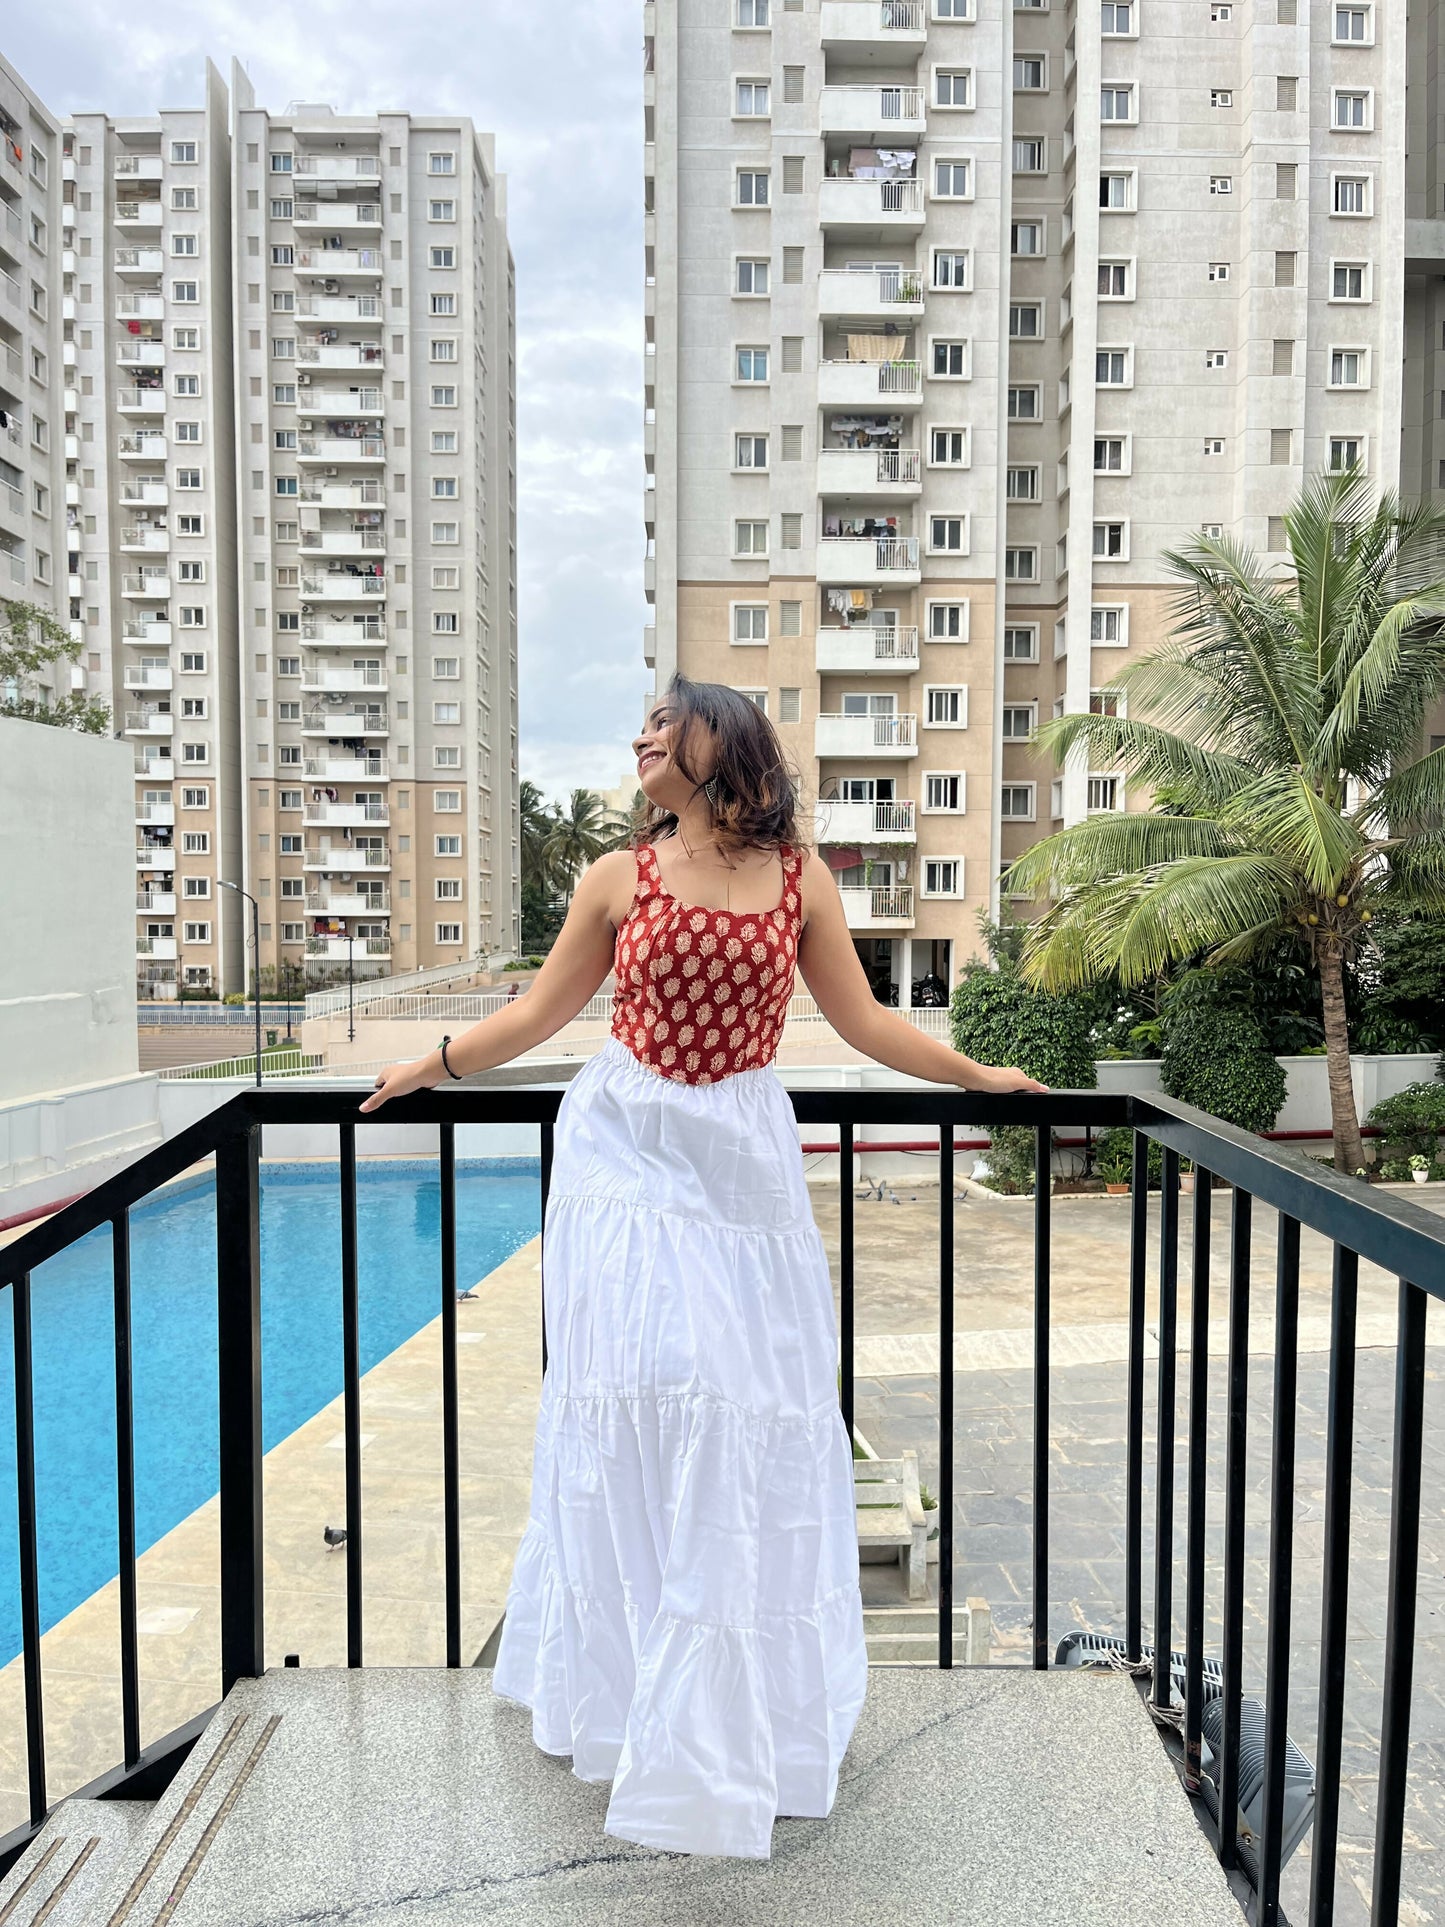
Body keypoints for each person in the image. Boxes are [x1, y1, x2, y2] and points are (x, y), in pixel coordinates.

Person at [360, 675, 1047, 1860]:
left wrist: (974, 1075)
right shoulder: (616, 876)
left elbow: (867, 1024)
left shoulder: (800, 880)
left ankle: (729, 1701)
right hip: (626, 1149)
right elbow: (536, 1015)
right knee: (633, 1396)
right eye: (635, 724)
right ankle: (629, 1690)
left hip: (737, 1154)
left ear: (716, 746)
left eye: (659, 726)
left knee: (743, 1405)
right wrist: (435, 1062)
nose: (639, 740)